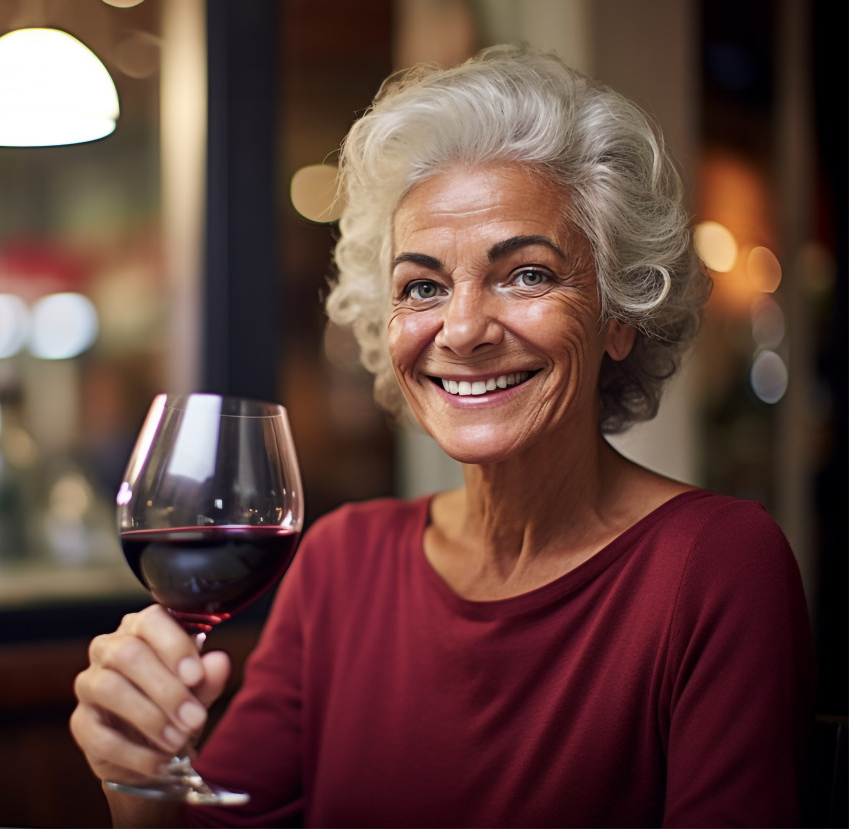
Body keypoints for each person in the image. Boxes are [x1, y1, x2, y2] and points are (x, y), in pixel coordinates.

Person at [70, 44, 816, 827]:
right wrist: (138, 778)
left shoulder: (716, 566)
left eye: (527, 273)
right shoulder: (341, 562)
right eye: (422, 286)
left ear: (618, 314)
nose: (461, 329)